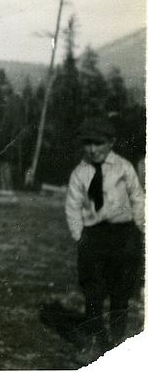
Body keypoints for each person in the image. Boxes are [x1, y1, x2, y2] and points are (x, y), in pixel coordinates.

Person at [64, 116, 145, 363]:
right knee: (93, 294)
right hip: (94, 238)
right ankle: (95, 342)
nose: (92, 149)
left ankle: (119, 343)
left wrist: (142, 230)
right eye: (87, 143)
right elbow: (72, 207)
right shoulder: (80, 172)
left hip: (123, 236)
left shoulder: (124, 168)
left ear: (111, 143)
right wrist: (81, 238)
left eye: (98, 143)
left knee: (121, 294)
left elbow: (138, 199)